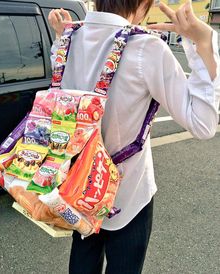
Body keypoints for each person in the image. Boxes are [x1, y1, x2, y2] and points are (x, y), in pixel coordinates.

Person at [48, 1, 220, 273]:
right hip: (128, 194)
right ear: (142, 4)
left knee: (83, 258)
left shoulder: (68, 38)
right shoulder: (146, 48)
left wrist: (61, 36)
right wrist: (204, 44)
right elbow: (203, 124)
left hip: (78, 186)